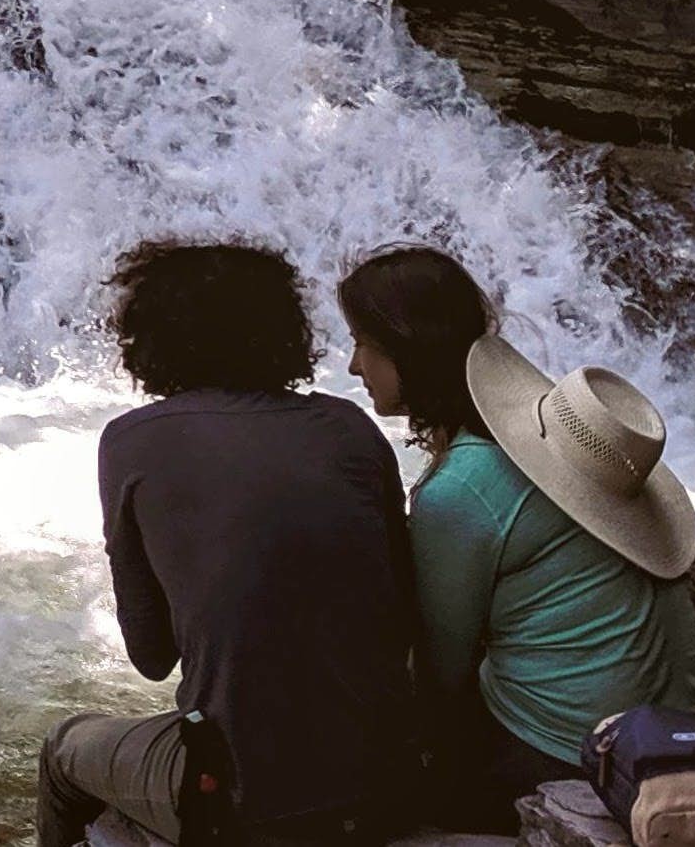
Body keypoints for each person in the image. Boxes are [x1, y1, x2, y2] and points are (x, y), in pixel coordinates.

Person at [38, 241, 419, 847]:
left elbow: (151, 654)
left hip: (240, 801)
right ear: (287, 333)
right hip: (388, 783)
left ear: (149, 339)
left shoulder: (132, 442)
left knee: (64, 750)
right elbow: (402, 614)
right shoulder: (350, 428)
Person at [335, 247, 695, 824]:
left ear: (407, 350)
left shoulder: (463, 488)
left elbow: (443, 671)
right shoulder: (564, 448)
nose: (352, 366)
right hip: (693, 724)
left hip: (571, 752)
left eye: (363, 342)